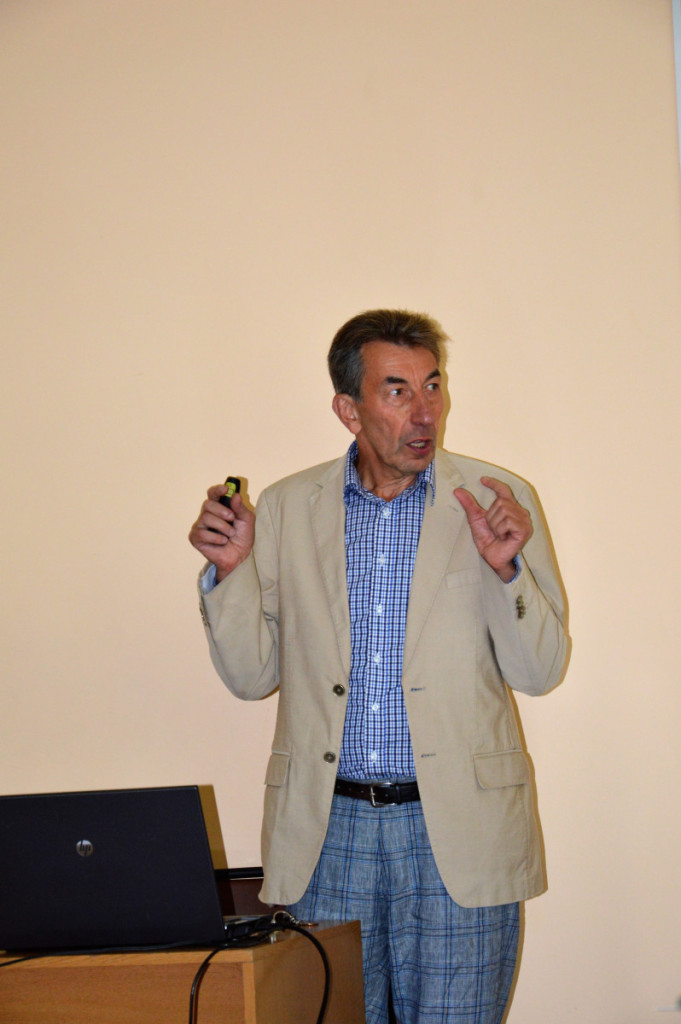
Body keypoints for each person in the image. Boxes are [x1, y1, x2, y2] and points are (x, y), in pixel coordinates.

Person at [189, 309, 569, 1024]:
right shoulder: (287, 508)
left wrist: (507, 571)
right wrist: (229, 573)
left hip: (458, 829)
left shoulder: (496, 500)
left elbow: (541, 670)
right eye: (397, 390)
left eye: (433, 386)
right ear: (348, 409)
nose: (425, 412)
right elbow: (249, 676)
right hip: (327, 834)